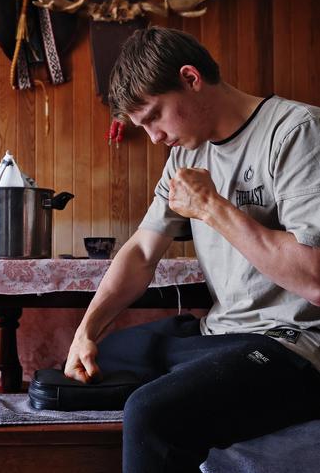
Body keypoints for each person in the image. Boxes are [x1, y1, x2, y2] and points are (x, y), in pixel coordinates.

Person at [64, 26, 320, 472]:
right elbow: (143, 252)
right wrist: (87, 330)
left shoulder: (297, 132)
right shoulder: (186, 155)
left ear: (190, 78)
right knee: (85, 369)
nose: (154, 138)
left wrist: (211, 207)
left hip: (295, 346)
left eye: (155, 117)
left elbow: (315, 279)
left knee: (151, 414)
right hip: (220, 337)